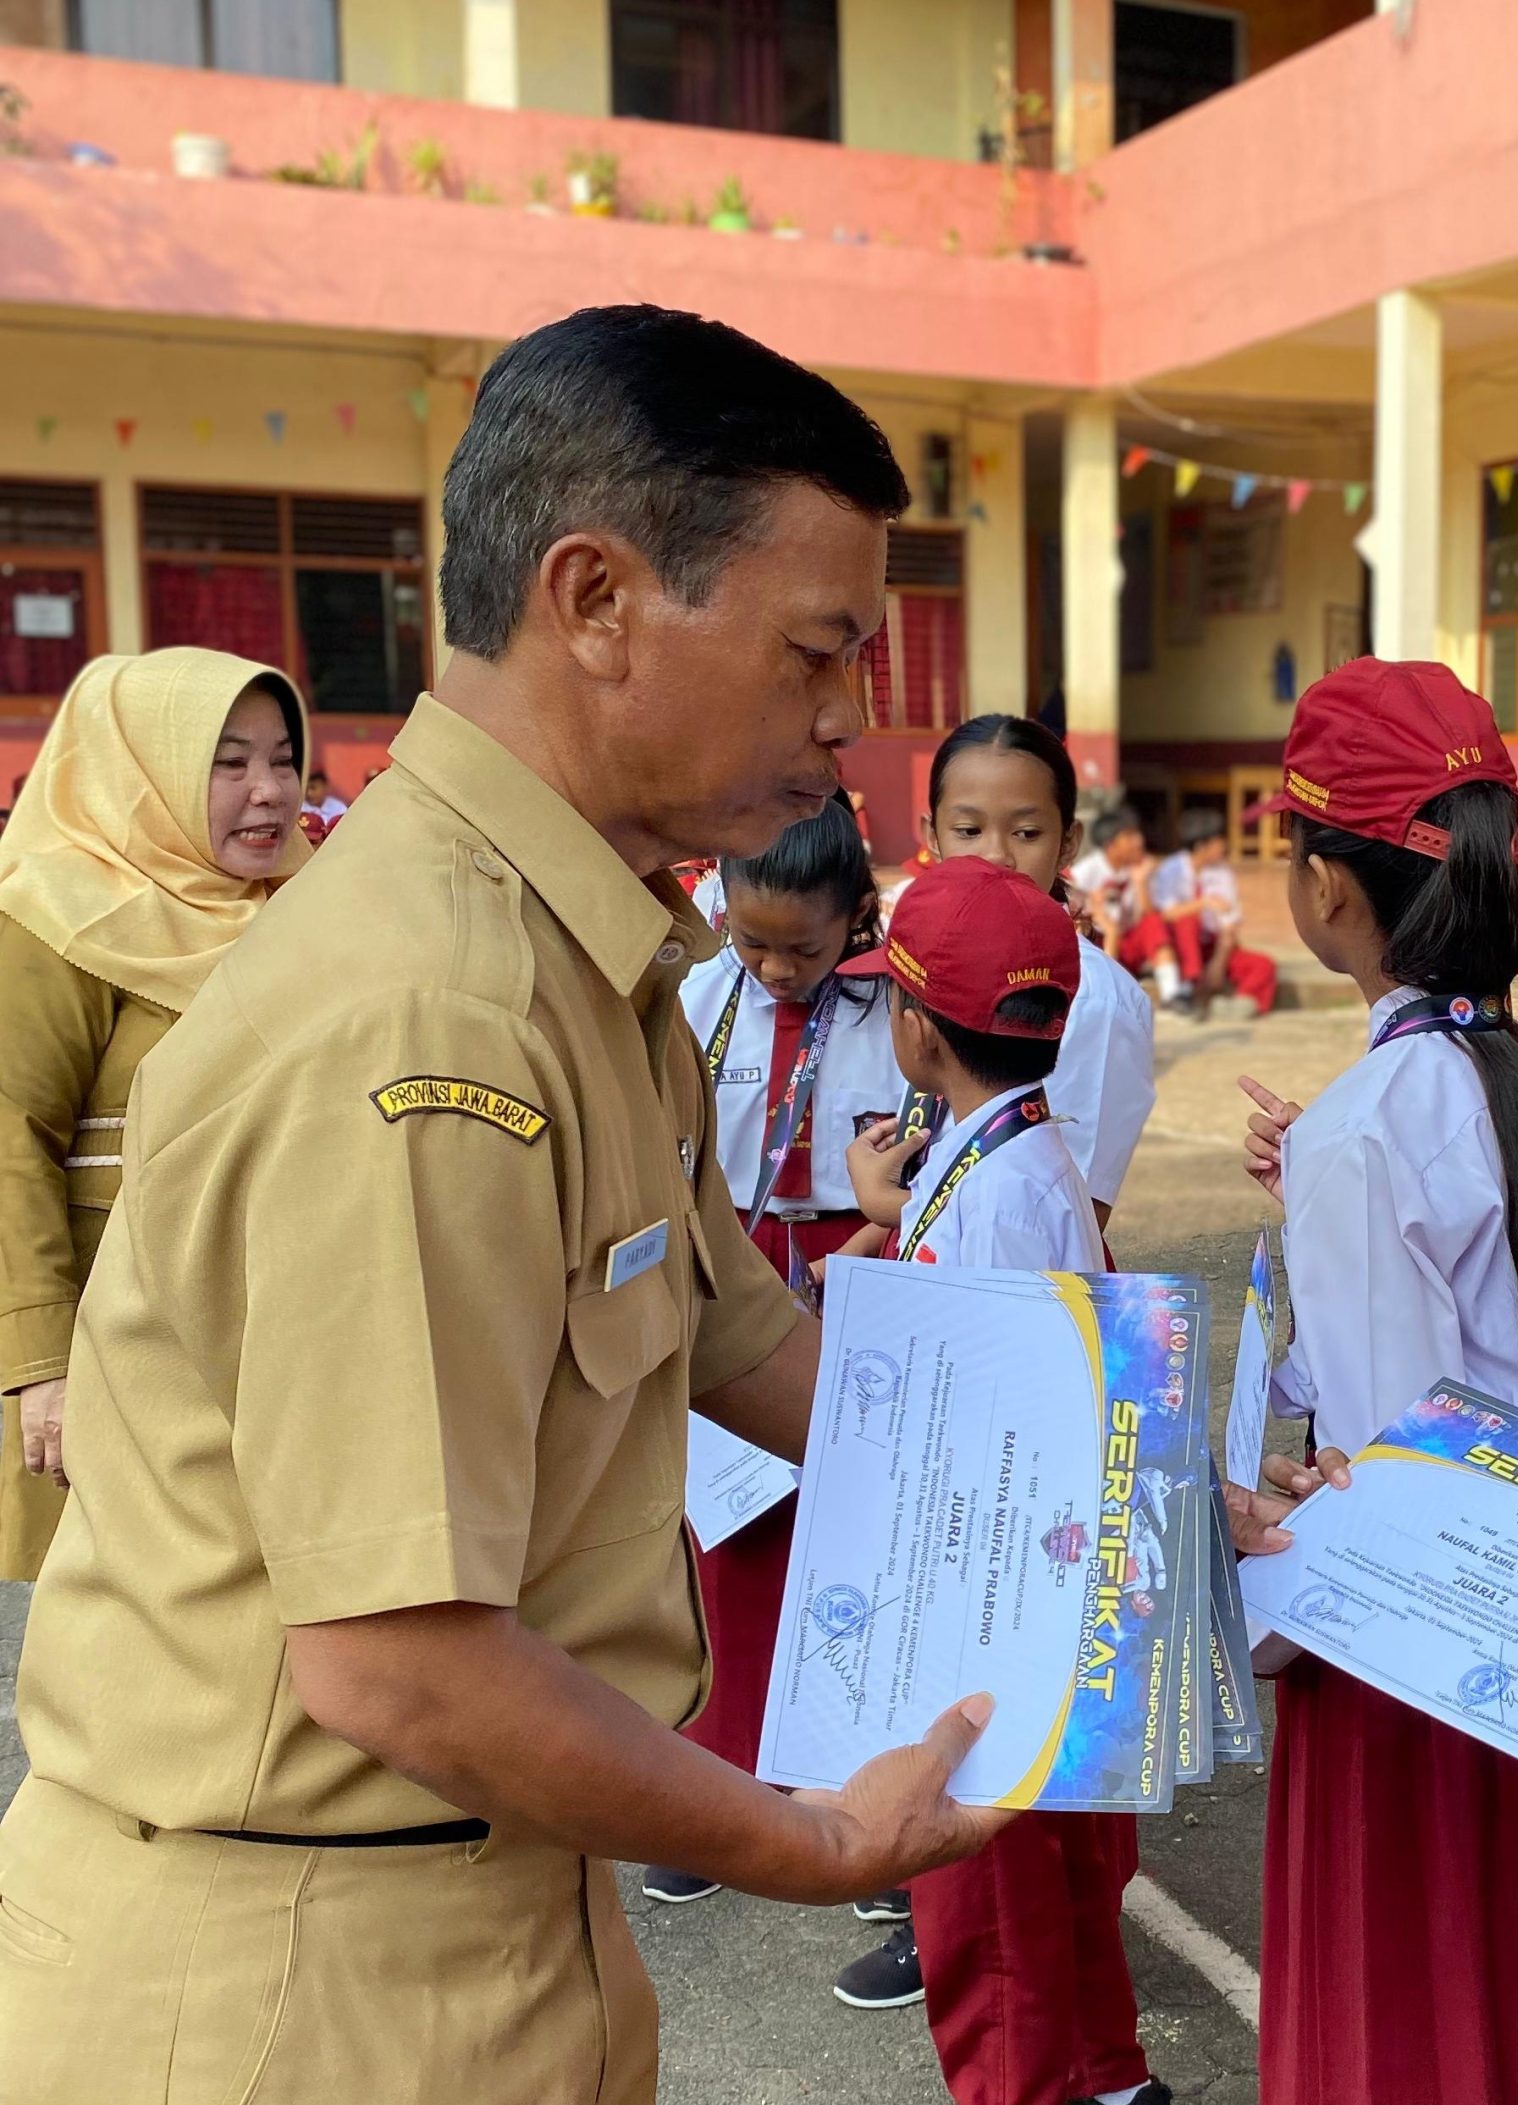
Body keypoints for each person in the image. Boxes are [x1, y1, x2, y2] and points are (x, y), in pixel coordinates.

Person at [0, 306, 1012, 2104]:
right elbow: (399, 1668)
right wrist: (812, 1843)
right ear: (597, 599)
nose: (855, 723)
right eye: (816, 653)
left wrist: (1101, 1440)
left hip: (480, 1918)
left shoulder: (589, 954)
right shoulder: (432, 1015)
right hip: (305, 1992)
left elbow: (725, 1323)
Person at [1234, 657, 1518, 2105]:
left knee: (1392, 2021)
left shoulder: (1368, 1124)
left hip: (1401, 1656)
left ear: (1329, 889)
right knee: (1507, 1994)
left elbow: (1386, 1459)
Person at [840, 856, 1168, 2105]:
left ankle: (1041, 2084)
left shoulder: (998, 1190)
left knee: (989, 1905)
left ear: (917, 1029)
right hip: (1041, 1573)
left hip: (987, 1587)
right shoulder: (1021, 1157)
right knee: (1057, 1878)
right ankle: (1109, 2075)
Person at [0, 647, 309, 1580]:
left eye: (283, 758)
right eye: (228, 761)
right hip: (103, 1352)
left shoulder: (312, 910)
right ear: (147, 767)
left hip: (271, 1344)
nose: (268, 791)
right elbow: (9, 1136)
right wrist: (40, 1361)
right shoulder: (57, 916)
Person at [643, 797, 899, 1910]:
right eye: (752, 940)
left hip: (866, 1263)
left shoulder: (898, 1008)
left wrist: (879, 1236)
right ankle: (727, 1784)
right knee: (735, 1539)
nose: (776, 969)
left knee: (862, 1536)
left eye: (803, 945)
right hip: (736, 1256)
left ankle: (863, 1785)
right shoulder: (701, 996)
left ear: (856, 915)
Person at [914, 715, 1158, 1233]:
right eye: (967, 830)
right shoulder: (919, 959)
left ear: (1068, 843)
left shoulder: (1093, 999)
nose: (997, 856)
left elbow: (1070, 1211)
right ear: (931, 836)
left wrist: (890, 1210)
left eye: (1027, 833)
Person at [1150, 806, 1279, 1016]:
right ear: (1202, 846)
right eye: (1219, 840)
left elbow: (1230, 923)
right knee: (1187, 921)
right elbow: (1166, 914)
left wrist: (1218, 964)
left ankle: (1236, 1006)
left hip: (1214, 946)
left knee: (1264, 966)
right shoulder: (1171, 869)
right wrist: (1203, 903)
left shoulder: (1223, 874)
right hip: (1182, 948)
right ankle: (1191, 983)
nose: (1224, 846)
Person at [1071, 806, 1181, 1005]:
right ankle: (1101, 990)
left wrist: (1141, 884)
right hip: (1097, 944)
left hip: (1126, 942)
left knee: (1153, 922)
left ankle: (1172, 992)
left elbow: (1148, 916)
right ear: (1111, 845)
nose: (1139, 841)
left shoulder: (1141, 869)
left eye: (1137, 834)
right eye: (1130, 837)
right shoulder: (1085, 872)